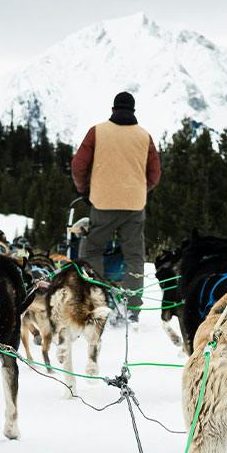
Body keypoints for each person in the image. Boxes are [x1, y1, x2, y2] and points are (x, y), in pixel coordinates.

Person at [70, 90, 161, 324]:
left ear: (113, 109)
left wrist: (84, 190)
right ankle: (132, 309)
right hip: (134, 206)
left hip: (102, 203)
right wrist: (141, 190)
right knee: (134, 256)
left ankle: (99, 300)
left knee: (94, 250)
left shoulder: (97, 132)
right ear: (133, 110)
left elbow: (78, 165)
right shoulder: (144, 136)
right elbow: (154, 175)